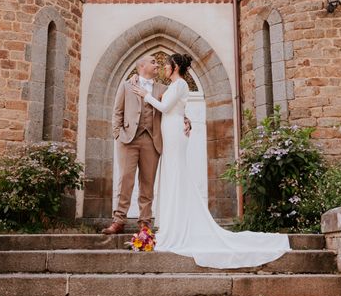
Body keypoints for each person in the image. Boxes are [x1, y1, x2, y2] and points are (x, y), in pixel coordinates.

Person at [131, 53, 291, 269]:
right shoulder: (174, 85)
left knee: (177, 173)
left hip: (174, 131)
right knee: (172, 174)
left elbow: (165, 108)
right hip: (170, 130)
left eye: (167, 65)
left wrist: (144, 95)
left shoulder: (179, 85)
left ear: (175, 66)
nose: (164, 69)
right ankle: (172, 225)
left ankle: (177, 228)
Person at [102, 55, 190, 235]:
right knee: (125, 181)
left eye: (159, 63)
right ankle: (119, 220)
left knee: (147, 184)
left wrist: (188, 120)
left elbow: (174, 107)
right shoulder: (127, 85)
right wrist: (117, 134)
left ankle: (144, 223)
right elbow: (117, 111)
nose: (157, 64)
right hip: (128, 140)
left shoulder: (164, 88)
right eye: (153, 62)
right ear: (142, 66)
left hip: (152, 141)